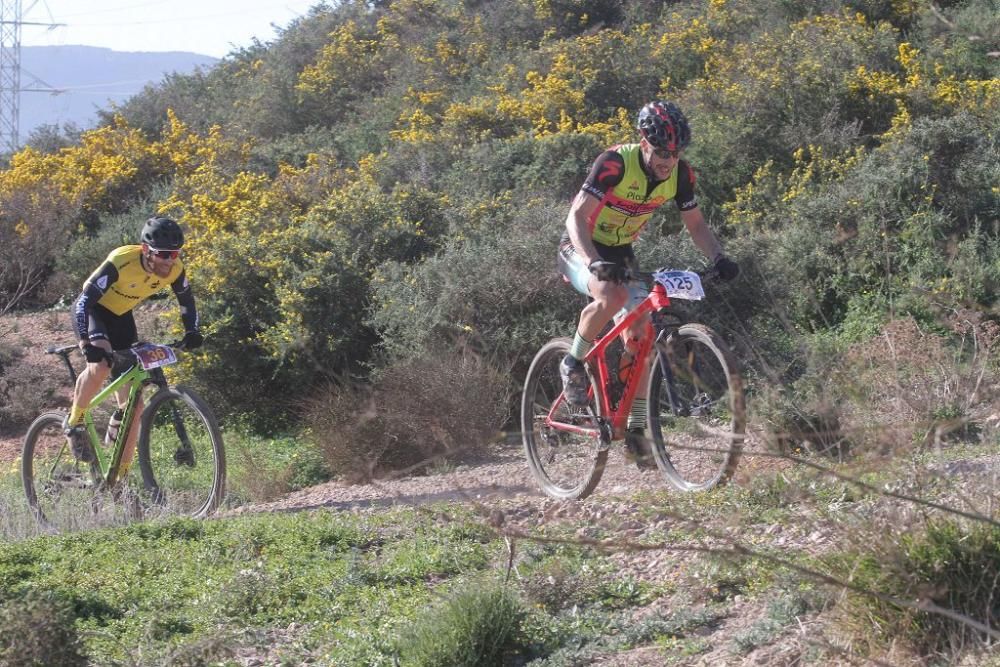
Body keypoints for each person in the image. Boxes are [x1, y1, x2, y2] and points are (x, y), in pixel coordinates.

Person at [556, 101, 739, 468]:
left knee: (641, 335)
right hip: (581, 247)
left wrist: (719, 258)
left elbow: (697, 225)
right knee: (611, 294)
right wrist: (593, 261)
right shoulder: (614, 163)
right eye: (660, 152)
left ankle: (636, 429)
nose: (666, 161)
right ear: (643, 142)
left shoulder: (680, 175)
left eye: (674, 153)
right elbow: (576, 217)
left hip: (620, 253)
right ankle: (572, 362)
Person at [63, 216, 203, 468]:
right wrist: (86, 343)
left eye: (175, 253)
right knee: (101, 365)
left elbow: (187, 301)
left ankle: (120, 480)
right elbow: (85, 301)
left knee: (134, 408)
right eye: (164, 254)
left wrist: (192, 331)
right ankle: (74, 422)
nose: (170, 260)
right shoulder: (121, 260)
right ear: (147, 250)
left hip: (121, 317)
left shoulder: (176, 268)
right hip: (94, 311)